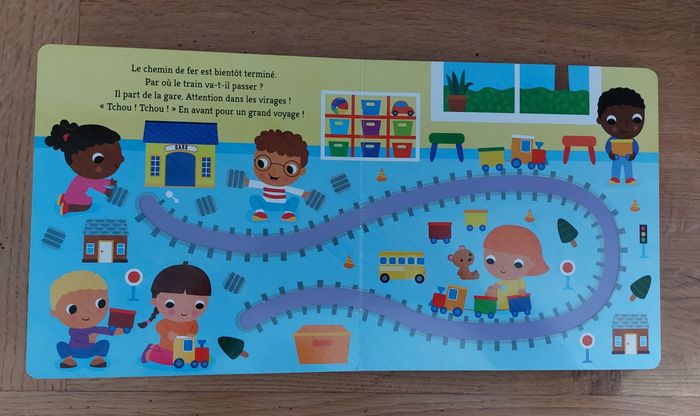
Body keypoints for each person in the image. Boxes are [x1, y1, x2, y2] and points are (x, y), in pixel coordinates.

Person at [139, 262, 211, 366]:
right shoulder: (165, 322)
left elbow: (194, 328)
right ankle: (150, 353)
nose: (184, 310)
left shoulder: (192, 322)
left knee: (188, 356)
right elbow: (159, 327)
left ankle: (154, 348)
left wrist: (192, 334)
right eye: (170, 304)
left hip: (183, 348)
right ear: (155, 301)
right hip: (167, 347)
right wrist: (168, 334)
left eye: (198, 305)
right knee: (170, 360)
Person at [45, 119, 124, 215]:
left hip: (71, 194)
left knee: (85, 199)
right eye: (98, 159)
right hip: (76, 197)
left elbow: (96, 182)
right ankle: (67, 208)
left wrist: (109, 182)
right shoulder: (86, 177)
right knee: (87, 203)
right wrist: (106, 191)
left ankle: (64, 199)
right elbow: (95, 185)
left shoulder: (83, 177)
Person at [49, 271, 124, 368]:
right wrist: (89, 338)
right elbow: (76, 336)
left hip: (92, 350)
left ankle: (98, 358)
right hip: (73, 351)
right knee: (61, 345)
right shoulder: (73, 330)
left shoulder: (93, 329)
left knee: (104, 343)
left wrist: (116, 331)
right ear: (55, 313)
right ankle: (68, 359)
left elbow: (105, 330)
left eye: (100, 304)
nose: (87, 312)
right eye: (72, 309)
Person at [242, 129, 310, 222]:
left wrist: (304, 194)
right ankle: (260, 212)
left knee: (294, 200)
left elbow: (294, 191)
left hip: (282, 206)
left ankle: (288, 213)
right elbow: (251, 183)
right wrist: (246, 181)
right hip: (265, 204)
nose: (275, 172)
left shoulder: (284, 187)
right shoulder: (265, 184)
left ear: (301, 171)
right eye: (262, 163)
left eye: (290, 169)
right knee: (253, 198)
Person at [482, 225, 549, 310]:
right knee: (491, 291)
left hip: (513, 301)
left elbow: (521, 289)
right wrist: (493, 287)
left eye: (518, 264)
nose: (503, 268)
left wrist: (521, 291)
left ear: (532, 263)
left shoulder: (519, 282)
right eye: (490, 260)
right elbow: (499, 285)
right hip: (502, 303)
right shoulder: (504, 281)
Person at [596, 88, 646, 185]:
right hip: (616, 156)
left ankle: (629, 178)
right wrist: (610, 153)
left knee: (628, 167)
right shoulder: (612, 140)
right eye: (611, 121)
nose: (624, 127)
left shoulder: (631, 141)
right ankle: (615, 178)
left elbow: (635, 147)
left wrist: (634, 154)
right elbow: (608, 146)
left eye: (636, 119)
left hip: (627, 156)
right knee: (616, 167)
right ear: (600, 120)